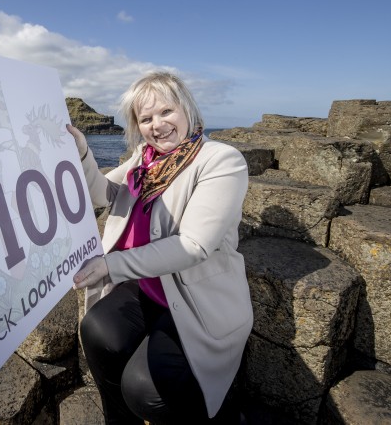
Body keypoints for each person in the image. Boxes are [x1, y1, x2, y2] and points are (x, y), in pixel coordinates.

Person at [67, 72, 252, 424]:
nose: (157, 125)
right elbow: (102, 194)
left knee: (146, 389)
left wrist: (111, 265)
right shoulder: (144, 160)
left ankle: (224, 417)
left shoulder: (221, 161)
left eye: (166, 112)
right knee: (96, 330)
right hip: (148, 287)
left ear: (187, 108)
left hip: (196, 299)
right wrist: (82, 154)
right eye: (146, 118)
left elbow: (194, 245)